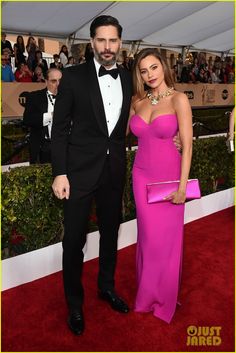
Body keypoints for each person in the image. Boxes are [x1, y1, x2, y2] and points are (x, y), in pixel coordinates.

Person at [51, 15, 132, 336]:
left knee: (111, 233)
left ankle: (107, 287)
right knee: (73, 241)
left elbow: (143, 112)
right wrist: (60, 173)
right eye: (101, 40)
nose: (108, 46)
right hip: (79, 174)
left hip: (113, 171)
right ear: (92, 42)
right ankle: (74, 304)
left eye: (113, 40)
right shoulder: (72, 77)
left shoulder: (127, 78)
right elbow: (59, 131)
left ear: (120, 43)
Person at [128, 48, 192, 323]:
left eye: (153, 67)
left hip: (169, 178)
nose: (149, 74)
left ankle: (164, 298)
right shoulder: (137, 101)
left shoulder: (179, 99)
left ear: (163, 67)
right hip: (141, 177)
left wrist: (182, 187)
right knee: (148, 239)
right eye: (143, 71)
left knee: (165, 241)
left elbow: (187, 147)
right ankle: (146, 295)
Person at [23, 68, 62, 164]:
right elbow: (27, 120)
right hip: (44, 148)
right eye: (53, 81)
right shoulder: (35, 97)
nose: (58, 84)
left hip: (65, 147)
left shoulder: (70, 98)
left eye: (60, 81)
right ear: (46, 81)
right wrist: (51, 115)